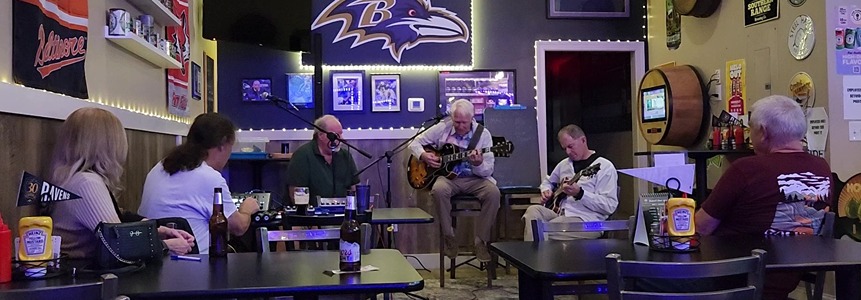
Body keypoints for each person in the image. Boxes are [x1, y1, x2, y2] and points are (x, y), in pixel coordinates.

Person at [695, 95, 832, 299]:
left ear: (764, 132)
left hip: (730, 281)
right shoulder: (822, 168)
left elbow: (701, 227)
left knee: (641, 279)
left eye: (751, 130)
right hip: (787, 280)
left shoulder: (746, 169)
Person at [49, 107, 195, 259]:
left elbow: (118, 221)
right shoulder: (86, 183)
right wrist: (167, 246)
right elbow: (119, 245)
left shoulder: (73, 179)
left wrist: (154, 230)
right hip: (82, 275)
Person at [138, 113, 260, 254]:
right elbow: (238, 227)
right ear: (223, 144)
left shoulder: (159, 167)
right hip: (195, 265)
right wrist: (247, 209)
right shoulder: (211, 178)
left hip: (154, 260)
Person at [408, 99, 500, 262]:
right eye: (456, 121)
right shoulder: (443, 127)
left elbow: (488, 170)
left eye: (464, 122)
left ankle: (481, 240)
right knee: (438, 190)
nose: (460, 126)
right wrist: (423, 155)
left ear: (472, 118)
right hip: (449, 179)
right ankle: (449, 237)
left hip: (475, 178)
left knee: (493, 193)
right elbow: (414, 142)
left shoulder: (483, 135)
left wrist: (478, 163)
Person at [522, 124, 618, 241]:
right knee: (533, 212)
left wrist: (580, 194)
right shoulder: (564, 164)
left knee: (542, 230)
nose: (568, 152)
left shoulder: (604, 166)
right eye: (564, 148)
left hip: (588, 221)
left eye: (571, 146)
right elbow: (548, 181)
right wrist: (546, 190)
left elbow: (609, 206)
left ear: (583, 140)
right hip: (560, 214)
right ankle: (536, 256)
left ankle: (535, 257)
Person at [286, 115, 359, 204]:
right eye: (336, 135)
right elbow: (295, 194)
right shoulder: (302, 155)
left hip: (343, 214)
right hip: (312, 215)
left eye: (341, 134)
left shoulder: (345, 155)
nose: (341, 138)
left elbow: (354, 187)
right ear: (321, 135)